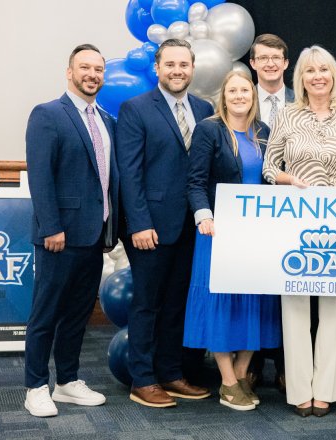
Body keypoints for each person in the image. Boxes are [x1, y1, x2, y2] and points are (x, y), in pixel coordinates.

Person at [262, 45, 336, 417]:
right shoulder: (286, 116)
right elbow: (269, 168)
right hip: (295, 219)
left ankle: (327, 390)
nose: (317, 76)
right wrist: (293, 181)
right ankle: (299, 390)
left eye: (324, 69)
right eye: (310, 71)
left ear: (334, 75)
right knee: (294, 305)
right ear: (300, 78)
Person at [117, 39, 214, 408]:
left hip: (193, 226)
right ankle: (142, 379)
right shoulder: (136, 108)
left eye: (184, 64)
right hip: (151, 228)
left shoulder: (204, 108)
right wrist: (139, 223)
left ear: (192, 68)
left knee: (177, 303)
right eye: (170, 64)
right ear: (157, 68)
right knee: (147, 304)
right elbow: (130, 172)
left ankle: (171, 374)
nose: (177, 70)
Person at [24, 44, 119, 417]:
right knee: (45, 314)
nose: (92, 74)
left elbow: (110, 181)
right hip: (59, 236)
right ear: (69, 72)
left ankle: (66, 382)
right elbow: (41, 176)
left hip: (94, 237)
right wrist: (51, 226)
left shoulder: (107, 121)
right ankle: (35, 386)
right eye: (84, 68)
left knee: (78, 315)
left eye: (98, 69)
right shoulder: (48, 115)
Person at [183, 71, 282, 411]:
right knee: (221, 304)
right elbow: (195, 181)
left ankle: (241, 372)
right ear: (223, 97)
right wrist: (203, 216)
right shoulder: (209, 130)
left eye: (245, 90)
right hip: (218, 232)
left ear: (254, 97)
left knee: (256, 301)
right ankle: (226, 381)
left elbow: (271, 180)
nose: (240, 95)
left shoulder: (265, 133)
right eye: (233, 90)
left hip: (257, 234)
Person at [246, 33, 293, 393]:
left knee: (289, 286)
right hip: (252, 209)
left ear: (286, 63)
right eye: (263, 58)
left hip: (294, 207)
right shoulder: (240, 98)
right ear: (253, 63)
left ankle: (285, 364)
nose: (270, 64)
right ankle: (252, 365)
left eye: (276, 58)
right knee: (255, 282)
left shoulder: (302, 100)